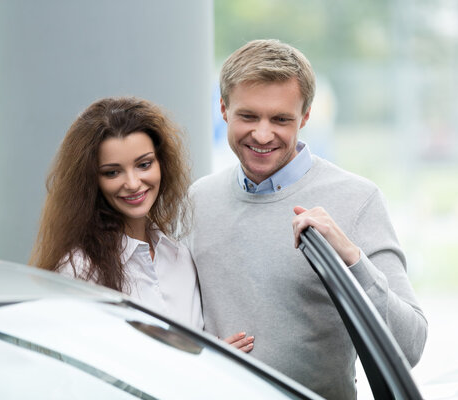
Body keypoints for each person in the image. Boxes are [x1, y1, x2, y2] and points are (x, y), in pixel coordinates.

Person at [187, 39, 427, 400]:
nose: (263, 134)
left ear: (306, 116)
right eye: (248, 116)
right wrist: (201, 357)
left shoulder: (357, 199)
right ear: (223, 110)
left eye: (281, 119)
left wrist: (350, 256)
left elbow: (409, 346)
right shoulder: (198, 200)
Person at [30, 96, 253, 351]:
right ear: (92, 181)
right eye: (112, 172)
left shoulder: (179, 256)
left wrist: (216, 356)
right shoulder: (79, 270)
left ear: (162, 164)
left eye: (144, 164)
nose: (133, 183)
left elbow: (188, 349)